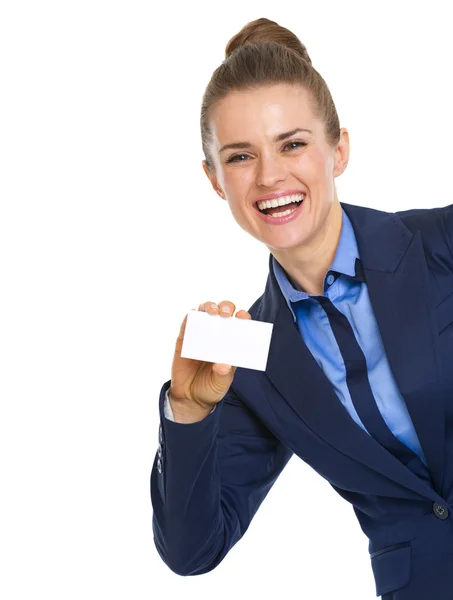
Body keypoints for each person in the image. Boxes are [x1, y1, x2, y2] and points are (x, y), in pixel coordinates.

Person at [150, 17, 453, 599]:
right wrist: (188, 411)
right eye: (239, 157)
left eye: (292, 144)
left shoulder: (440, 245)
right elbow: (193, 550)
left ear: (338, 149)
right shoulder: (245, 356)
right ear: (215, 181)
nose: (269, 176)